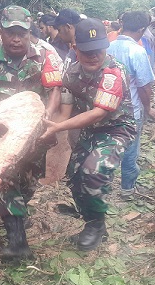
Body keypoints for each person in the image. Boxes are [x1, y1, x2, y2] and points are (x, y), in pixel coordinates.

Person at [38, 19, 136, 252]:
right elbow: (65, 113)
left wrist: (57, 128)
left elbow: (98, 113)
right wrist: (49, 126)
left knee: (93, 172)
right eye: (87, 51)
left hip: (117, 128)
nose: (94, 56)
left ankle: (96, 224)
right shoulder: (70, 75)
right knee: (75, 174)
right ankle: (92, 220)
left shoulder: (114, 71)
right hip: (89, 131)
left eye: (98, 50)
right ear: (75, 48)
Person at [0, 5, 63, 263]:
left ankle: (19, 211)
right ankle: (17, 243)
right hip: (6, 136)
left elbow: (55, 90)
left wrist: (46, 116)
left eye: (22, 34)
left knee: (29, 183)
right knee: (7, 182)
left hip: (37, 136)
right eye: (11, 33)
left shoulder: (45, 58)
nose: (16, 39)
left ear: (29, 34)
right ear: (1, 33)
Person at [108, 10, 155, 198]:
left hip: (106, 109)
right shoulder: (137, 51)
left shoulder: (107, 47)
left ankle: (103, 186)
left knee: (109, 147)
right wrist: (148, 108)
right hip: (130, 112)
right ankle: (127, 188)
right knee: (130, 151)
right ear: (141, 29)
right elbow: (144, 86)